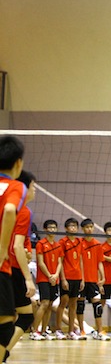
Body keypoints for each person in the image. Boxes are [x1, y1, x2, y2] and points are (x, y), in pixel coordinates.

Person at [3, 171, 37, 362]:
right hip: (12, 268)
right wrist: (28, 278)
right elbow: (16, 246)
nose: (34, 191)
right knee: (24, 317)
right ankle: (4, 351)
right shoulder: (22, 210)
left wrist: (26, 251)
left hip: (8, 266)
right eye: (33, 186)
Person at [0, 135, 25, 361]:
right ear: (18, 163)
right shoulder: (15, 186)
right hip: (1, 267)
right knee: (5, 327)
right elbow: (9, 210)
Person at [30, 219, 63, 341]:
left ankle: (44, 331)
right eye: (50, 227)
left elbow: (60, 263)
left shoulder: (58, 245)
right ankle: (34, 331)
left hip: (55, 278)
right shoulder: (41, 244)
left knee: (49, 305)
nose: (52, 230)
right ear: (45, 229)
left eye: (54, 228)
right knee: (44, 303)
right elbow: (40, 262)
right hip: (44, 278)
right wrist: (49, 275)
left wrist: (56, 275)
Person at [79, 218, 110, 341]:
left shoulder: (97, 244)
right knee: (80, 305)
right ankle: (81, 330)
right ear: (83, 229)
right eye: (87, 227)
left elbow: (100, 262)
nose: (89, 229)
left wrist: (102, 277)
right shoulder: (79, 243)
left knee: (97, 305)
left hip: (93, 280)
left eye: (91, 227)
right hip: (81, 280)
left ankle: (99, 331)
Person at [57, 217, 85, 340]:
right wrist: (63, 279)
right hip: (67, 277)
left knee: (74, 304)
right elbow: (61, 262)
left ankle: (71, 331)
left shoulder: (79, 242)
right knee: (63, 302)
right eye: (71, 226)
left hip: (77, 277)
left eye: (75, 226)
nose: (73, 228)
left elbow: (80, 260)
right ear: (66, 228)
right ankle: (58, 330)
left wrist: (82, 278)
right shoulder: (62, 242)